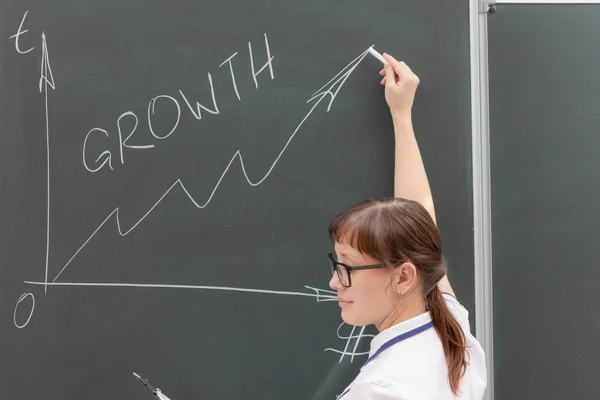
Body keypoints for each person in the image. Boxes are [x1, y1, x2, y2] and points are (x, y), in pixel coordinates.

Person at [327, 53, 487, 399]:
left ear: (403, 276)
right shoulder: (451, 331)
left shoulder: (383, 390)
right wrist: (401, 115)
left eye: (345, 267)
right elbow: (421, 219)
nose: (334, 282)